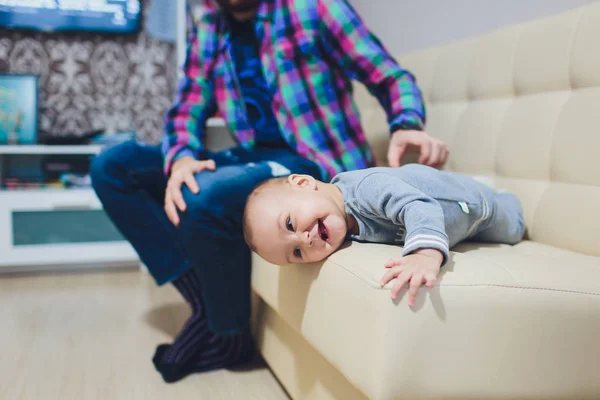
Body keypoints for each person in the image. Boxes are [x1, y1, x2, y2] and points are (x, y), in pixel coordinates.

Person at [90, 0, 449, 383]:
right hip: (252, 158)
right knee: (113, 166)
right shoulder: (208, 23)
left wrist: (406, 122)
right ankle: (207, 311)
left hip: (311, 163)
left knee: (205, 196)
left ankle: (229, 334)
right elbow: (187, 108)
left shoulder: (314, 8)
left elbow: (389, 76)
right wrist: (180, 158)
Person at [243, 165, 525, 305]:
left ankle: (494, 191)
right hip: (457, 228)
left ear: (304, 183)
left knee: (513, 229)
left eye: (290, 224)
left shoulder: (366, 189)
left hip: (473, 208)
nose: (304, 240)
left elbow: (419, 206)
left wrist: (425, 254)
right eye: (296, 253)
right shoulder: (342, 224)